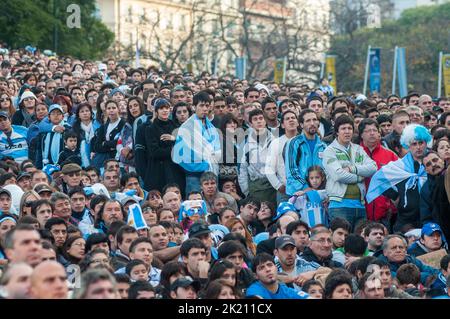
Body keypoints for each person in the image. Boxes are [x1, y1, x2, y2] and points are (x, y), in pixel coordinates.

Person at [367, 124, 432, 232]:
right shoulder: (399, 166)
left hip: (429, 216)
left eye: (421, 143)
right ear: (408, 145)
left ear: (426, 143)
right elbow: (379, 178)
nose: (418, 147)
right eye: (414, 144)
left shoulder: (433, 163)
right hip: (405, 219)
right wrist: (396, 197)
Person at [323, 115, 377, 231]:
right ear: (337, 131)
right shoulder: (329, 150)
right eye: (343, 128)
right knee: (342, 242)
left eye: (349, 128)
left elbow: (373, 167)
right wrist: (360, 177)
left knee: (360, 243)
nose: (347, 132)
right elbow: (338, 175)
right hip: (339, 205)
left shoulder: (358, 149)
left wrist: (353, 169)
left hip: (360, 205)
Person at [172, 91, 221, 194]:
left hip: (211, 173)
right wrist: (202, 164)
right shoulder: (186, 127)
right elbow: (180, 155)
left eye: (207, 106)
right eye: (201, 105)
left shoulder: (211, 127)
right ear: (194, 107)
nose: (205, 109)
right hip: (194, 175)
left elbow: (217, 148)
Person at [359, 119, 398, 224]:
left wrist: (393, 204)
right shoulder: (354, 153)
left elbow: (399, 182)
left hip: (384, 213)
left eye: (374, 130)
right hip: (360, 210)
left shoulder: (390, 155)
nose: (372, 133)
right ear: (361, 134)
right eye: (368, 131)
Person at [143, 98, 185, 195]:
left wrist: (174, 139)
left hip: (175, 169)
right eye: (161, 108)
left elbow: (183, 148)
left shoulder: (176, 127)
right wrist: (173, 150)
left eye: (167, 108)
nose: (165, 110)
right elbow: (154, 152)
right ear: (156, 111)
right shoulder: (150, 128)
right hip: (157, 171)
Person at [238, 109, 276, 205]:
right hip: (256, 186)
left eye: (261, 118)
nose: (259, 121)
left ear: (265, 121)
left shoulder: (275, 141)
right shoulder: (246, 144)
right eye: (255, 119)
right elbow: (242, 169)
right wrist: (247, 191)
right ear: (250, 123)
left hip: (273, 185)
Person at [284, 109, 326, 196]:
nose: (312, 123)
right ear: (301, 125)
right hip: (297, 193)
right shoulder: (294, 143)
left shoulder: (323, 146)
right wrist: (305, 187)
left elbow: (327, 170)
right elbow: (291, 170)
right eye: (308, 121)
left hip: (318, 193)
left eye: (314, 120)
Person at [266, 110, 299, 204]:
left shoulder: (303, 140)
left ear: (298, 122)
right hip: (284, 190)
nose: (291, 120)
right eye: (287, 119)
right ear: (283, 125)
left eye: (293, 118)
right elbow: (269, 168)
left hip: (304, 189)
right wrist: (278, 186)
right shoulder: (276, 143)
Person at [245, 253, 309, 299]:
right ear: (256, 275)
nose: (267, 269)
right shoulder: (254, 290)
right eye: (261, 268)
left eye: (270, 265)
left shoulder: (284, 289)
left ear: (276, 268)